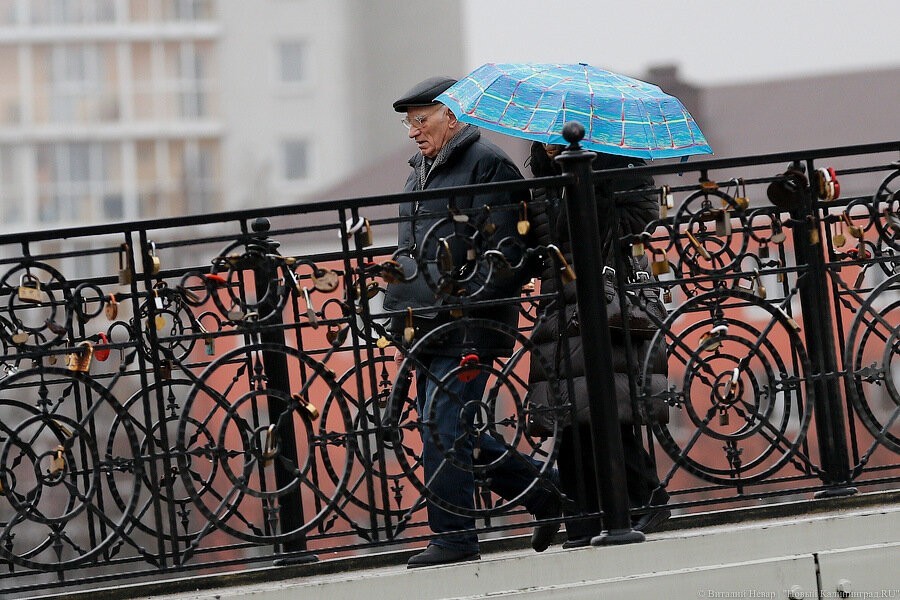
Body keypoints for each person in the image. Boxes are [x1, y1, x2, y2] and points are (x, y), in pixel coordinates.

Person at [383, 77, 562, 568]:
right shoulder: (420, 171)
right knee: (445, 428)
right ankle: (543, 491)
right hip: (429, 324)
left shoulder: (487, 162)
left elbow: (508, 251)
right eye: (408, 123)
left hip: (467, 323)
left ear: (453, 115)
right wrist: (399, 301)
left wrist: (461, 300)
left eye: (422, 120)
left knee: (444, 428)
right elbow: (409, 249)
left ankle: (455, 538)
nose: (413, 132)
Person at [524, 140, 671, 549]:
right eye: (545, 139)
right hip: (560, 302)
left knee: (607, 404)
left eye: (559, 138)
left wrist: (593, 191)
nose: (551, 146)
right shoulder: (542, 181)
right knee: (567, 414)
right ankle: (583, 521)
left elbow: (641, 221)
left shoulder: (621, 164)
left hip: (607, 297)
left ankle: (646, 498)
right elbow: (541, 244)